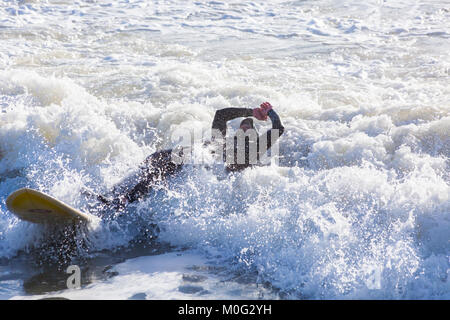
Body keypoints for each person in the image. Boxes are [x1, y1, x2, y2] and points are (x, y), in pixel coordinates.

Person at [98, 102, 284, 209]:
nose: (245, 129)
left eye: (249, 128)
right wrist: (251, 112)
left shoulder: (253, 152)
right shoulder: (221, 140)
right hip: (194, 159)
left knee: (162, 166)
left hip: (206, 170)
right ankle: (113, 193)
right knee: (155, 159)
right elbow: (221, 114)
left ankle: (123, 201)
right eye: (243, 127)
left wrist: (270, 112)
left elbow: (279, 128)